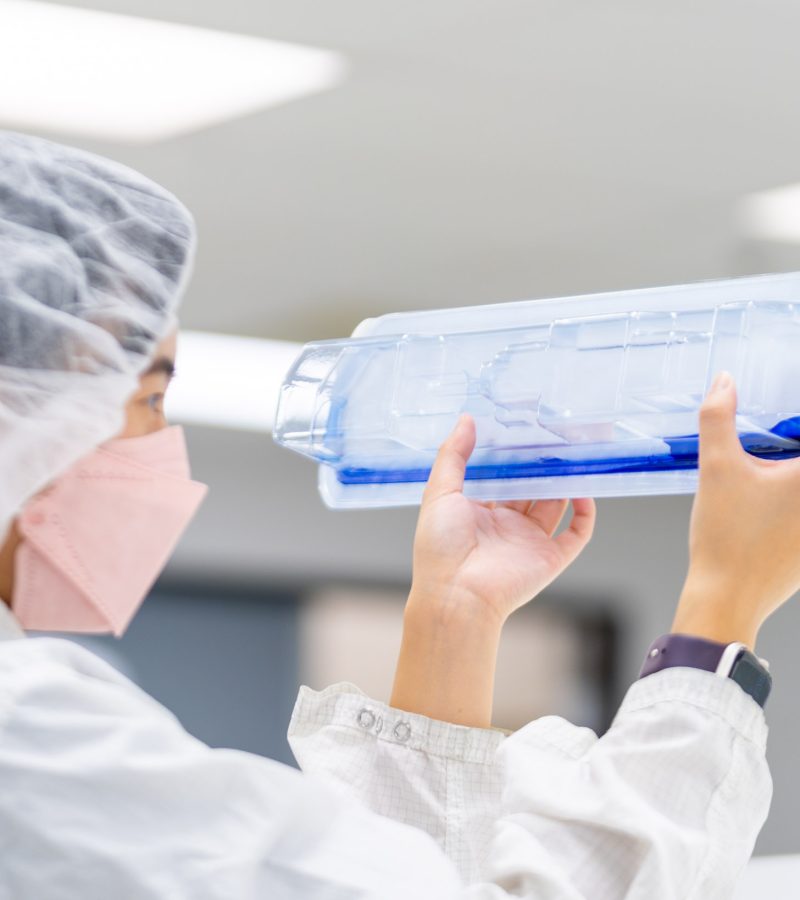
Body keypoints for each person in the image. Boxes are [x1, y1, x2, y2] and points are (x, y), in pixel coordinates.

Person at [0, 130, 792, 899]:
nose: (160, 442)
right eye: (146, 398)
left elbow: (384, 880)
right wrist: (719, 613)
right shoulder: (25, 734)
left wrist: (455, 618)